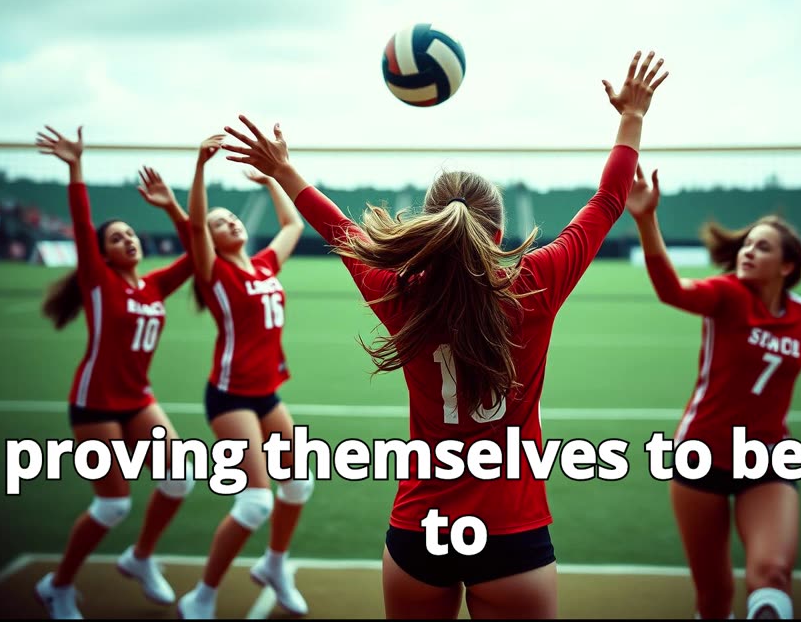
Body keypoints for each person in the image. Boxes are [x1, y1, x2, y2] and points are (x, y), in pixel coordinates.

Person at [218, 50, 668, 619]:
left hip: (420, 528)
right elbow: (607, 202)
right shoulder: (537, 280)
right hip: (512, 529)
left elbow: (340, 229)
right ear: (500, 231)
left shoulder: (400, 293)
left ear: (429, 225)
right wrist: (632, 118)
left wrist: (285, 170)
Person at [626, 173, 801, 620]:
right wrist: (647, 218)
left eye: (762, 247)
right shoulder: (727, 295)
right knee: (713, 599)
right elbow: (671, 291)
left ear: (787, 266)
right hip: (702, 455)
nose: (748, 251)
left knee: (771, 574)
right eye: (747, 244)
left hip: (768, 457)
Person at [32, 125, 199, 619]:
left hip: (138, 399)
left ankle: (140, 557)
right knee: (113, 506)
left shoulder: (152, 286)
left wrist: (171, 206)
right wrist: (75, 167)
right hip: (96, 402)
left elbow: (198, 254)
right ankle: (58, 585)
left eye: (130, 233)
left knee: (180, 479)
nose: (127, 240)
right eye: (116, 237)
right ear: (102, 254)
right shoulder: (100, 282)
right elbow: (83, 226)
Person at [176, 138, 311, 618]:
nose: (229, 221)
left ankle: (275, 566)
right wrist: (199, 169)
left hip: (266, 394)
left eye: (232, 217)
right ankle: (202, 597)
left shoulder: (263, 265)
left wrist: (272, 178)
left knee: (298, 485)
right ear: (209, 241)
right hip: (231, 398)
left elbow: (293, 223)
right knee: (255, 502)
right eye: (219, 222)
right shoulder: (214, 274)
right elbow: (194, 223)